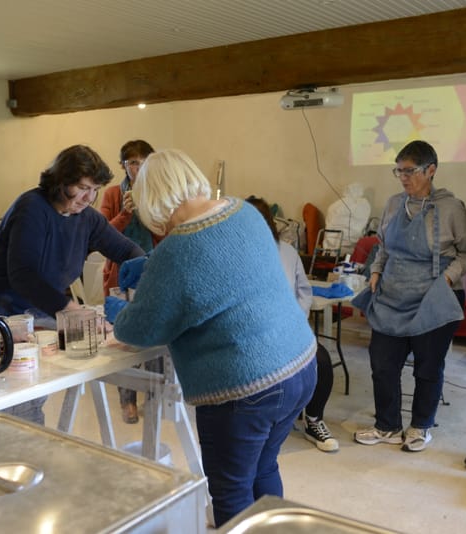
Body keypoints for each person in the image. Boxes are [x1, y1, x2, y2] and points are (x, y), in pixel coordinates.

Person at [104, 149, 317, 528]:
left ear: (150, 198)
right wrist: (153, 268)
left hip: (246, 387)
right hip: (299, 364)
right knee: (264, 468)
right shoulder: (243, 211)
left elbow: (142, 330)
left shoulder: (177, 248)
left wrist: (116, 313)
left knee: (231, 489)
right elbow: (223, 269)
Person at [0, 144, 145, 424]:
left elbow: (128, 251)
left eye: (95, 190)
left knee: (44, 385)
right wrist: (72, 310)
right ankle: (21, 457)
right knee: (20, 399)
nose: (88, 198)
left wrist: (143, 272)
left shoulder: (87, 218)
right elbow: (23, 275)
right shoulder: (32, 208)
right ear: (60, 181)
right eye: (82, 188)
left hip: (38, 311)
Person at [352, 140, 466, 453]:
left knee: (428, 367)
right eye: (399, 171)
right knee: (382, 364)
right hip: (391, 295)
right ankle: (388, 426)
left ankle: (420, 425)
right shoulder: (394, 204)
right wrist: (377, 273)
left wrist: (447, 279)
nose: (403, 178)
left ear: (431, 170)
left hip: (433, 299)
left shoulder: (451, 209)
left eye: (410, 171)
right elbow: (383, 246)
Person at [245, 195, 338, 453]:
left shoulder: (287, 252)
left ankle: (313, 420)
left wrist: (296, 319)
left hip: (291, 329)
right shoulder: (236, 256)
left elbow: (304, 291)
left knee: (321, 361)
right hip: (256, 336)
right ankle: (267, 422)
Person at [99, 139, 161, 424]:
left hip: (153, 272)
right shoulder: (113, 194)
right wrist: (125, 213)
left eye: (142, 162)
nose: (137, 168)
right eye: (131, 162)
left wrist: (148, 211)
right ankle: (128, 401)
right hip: (120, 275)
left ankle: (156, 394)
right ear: (123, 165)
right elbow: (101, 235)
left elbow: (165, 234)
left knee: (155, 334)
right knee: (124, 337)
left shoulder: (158, 192)